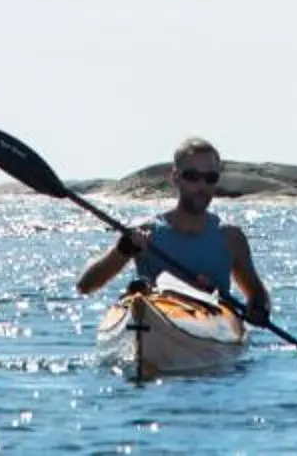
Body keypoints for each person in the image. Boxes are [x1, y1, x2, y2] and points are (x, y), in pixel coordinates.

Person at [76, 136, 271, 322]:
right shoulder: (145, 233)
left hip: (212, 325)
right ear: (176, 177)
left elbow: (257, 294)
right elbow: (85, 286)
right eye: (192, 176)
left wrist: (259, 308)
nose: (201, 186)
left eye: (210, 178)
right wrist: (122, 251)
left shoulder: (231, 238)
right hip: (155, 320)